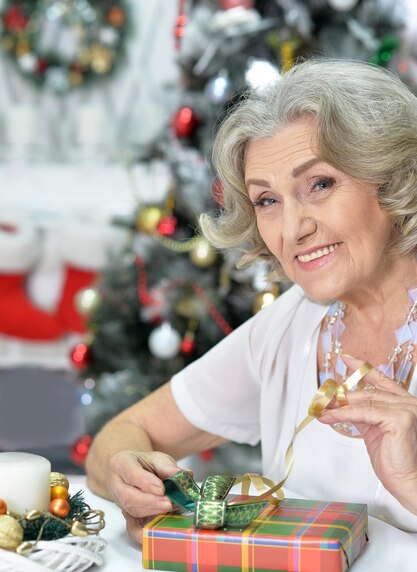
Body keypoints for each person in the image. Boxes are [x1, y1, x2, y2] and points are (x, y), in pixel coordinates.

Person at [86, 58, 417, 542]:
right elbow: (120, 438)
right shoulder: (290, 328)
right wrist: (128, 474)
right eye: (268, 200)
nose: (292, 229)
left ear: (390, 180)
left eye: (320, 184)